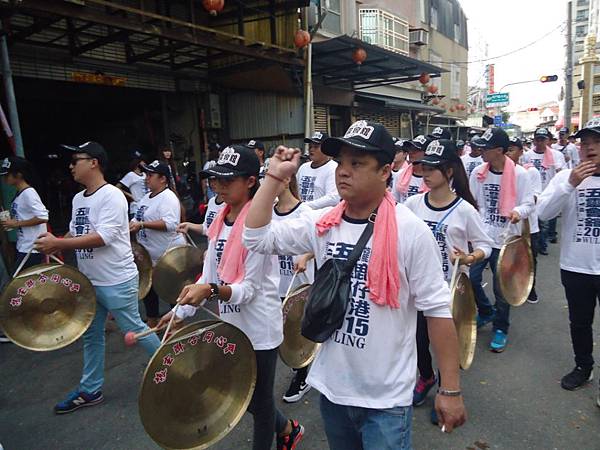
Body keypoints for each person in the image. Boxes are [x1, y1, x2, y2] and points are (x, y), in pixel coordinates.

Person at [244, 121, 467, 449]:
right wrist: (275, 178)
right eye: (342, 162)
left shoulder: (411, 231)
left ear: (385, 171)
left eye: (357, 163)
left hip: (386, 400)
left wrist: (450, 389)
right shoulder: (324, 224)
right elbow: (256, 237)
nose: (343, 172)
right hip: (333, 391)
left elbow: (436, 312)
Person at [157, 145, 303, 450]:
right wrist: (180, 312)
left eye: (227, 180)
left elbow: (248, 291)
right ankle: (288, 428)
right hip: (232, 324)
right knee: (242, 396)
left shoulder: (260, 225)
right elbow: (210, 274)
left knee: (259, 404)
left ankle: (282, 432)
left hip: (261, 329)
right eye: (215, 180)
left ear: (251, 181)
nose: (219, 186)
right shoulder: (218, 220)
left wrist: (209, 292)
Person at [34, 141, 160, 414]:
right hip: (90, 280)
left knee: (136, 330)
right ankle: (90, 389)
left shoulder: (112, 196)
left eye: (75, 160)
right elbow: (75, 233)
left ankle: (172, 368)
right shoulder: (79, 198)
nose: (70, 166)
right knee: (91, 335)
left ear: (94, 162)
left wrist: (59, 243)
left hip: (116, 279)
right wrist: (55, 242)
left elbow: (104, 237)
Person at [404, 139, 492, 424]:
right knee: (418, 340)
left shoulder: (464, 209)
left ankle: (446, 387)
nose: (425, 173)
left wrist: (470, 257)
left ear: (450, 171)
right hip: (417, 289)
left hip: (451, 291)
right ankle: (426, 378)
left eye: (433, 168)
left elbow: (485, 245)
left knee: (445, 343)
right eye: (424, 167)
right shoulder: (412, 204)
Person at [537, 118, 600, 405]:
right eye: (585, 142)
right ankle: (583, 366)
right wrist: (571, 185)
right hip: (576, 266)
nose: (589, 148)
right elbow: (544, 213)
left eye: (596, 142)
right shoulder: (565, 177)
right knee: (580, 322)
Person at [468, 128, 534, 353]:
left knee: (501, 288)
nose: (480, 151)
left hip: (507, 240)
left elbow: (529, 204)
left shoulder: (520, 174)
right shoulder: (479, 172)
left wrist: (517, 211)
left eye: (485, 148)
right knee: (471, 279)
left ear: (499, 150)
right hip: (482, 238)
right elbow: (472, 202)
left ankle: (500, 327)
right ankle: (486, 311)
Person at [129, 160, 186, 328]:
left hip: (168, 254)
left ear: (162, 179)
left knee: (171, 291)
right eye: (146, 175)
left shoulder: (168, 197)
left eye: (150, 175)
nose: (147, 178)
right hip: (148, 254)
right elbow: (137, 218)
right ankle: (153, 320)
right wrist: (132, 224)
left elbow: (170, 224)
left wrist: (142, 225)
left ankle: (177, 325)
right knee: (149, 289)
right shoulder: (146, 198)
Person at [506, 137, 543, 304]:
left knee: (529, 259)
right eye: (506, 149)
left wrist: (519, 207)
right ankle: (512, 290)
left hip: (529, 226)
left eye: (512, 149)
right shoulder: (499, 173)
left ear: (521, 152)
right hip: (510, 226)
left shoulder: (529, 172)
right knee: (510, 261)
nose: (508, 153)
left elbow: (535, 197)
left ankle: (530, 288)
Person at [522, 127, 566, 252]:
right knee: (534, 220)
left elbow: (561, 172)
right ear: (534, 140)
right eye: (538, 139)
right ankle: (536, 244)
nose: (540, 142)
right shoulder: (528, 155)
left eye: (543, 139)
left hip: (548, 191)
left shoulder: (556, 155)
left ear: (548, 140)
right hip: (532, 192)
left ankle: (543, 243)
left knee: (545, 219)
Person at [0, 156, 48, 269]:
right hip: (24, 245)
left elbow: (43, 217)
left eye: (7, 174)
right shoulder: (20, 193)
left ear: (19, 175)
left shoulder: (29, 193)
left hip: (32, 248)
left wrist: (16, 224)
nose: (5, 178)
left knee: (22, 283)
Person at [296, 131, 340, 209]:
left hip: (322, 217)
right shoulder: (303, 167)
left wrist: (305, 206)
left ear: (327, 149)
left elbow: (333, 198)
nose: (311, 149)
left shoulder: (333, 168)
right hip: (301, 215)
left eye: (316, 146)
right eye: (310, 146)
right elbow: (294, 189)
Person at [392, 135, 432, 203]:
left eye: (416, 150)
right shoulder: (399, 175)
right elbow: (395, 200)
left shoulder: (433, 178)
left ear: (426, 153)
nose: (411, 152)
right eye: (410, 149)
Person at [116, 150, 148, 219]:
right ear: (137, 162)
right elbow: (117, 187)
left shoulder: (145, 175)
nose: (144, 163)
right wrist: (130, 196)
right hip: (136, 208)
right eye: (142, 161)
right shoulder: (130, 175)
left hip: (147, 207)